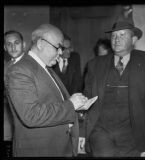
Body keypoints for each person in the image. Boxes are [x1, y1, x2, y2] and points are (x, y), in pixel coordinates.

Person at [83, 20, 145, 157]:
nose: (117, 39)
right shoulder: (95, 64)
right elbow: (86, 102)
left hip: (133, 133)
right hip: (101, 130)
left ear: (133, 39)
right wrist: (82, 132)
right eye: (114, 36)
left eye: (122, 35)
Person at [5, 24, 89, 157]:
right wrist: (71, 105)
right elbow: (30, 115)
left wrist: (76, 106)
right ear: (40, 43)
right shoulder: (20, 70)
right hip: (38, 150)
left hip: (58, 147)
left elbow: (52, 102)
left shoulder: (46, 68)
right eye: (58, 47)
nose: (61, 52)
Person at [4, 30, 26, 143]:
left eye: (16, 43)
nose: (13, 47)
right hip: (11, 118)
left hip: (28, 120)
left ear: (24, 44)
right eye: (9, 44)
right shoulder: (7, 67)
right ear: (4, 47)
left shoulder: (32, 64)